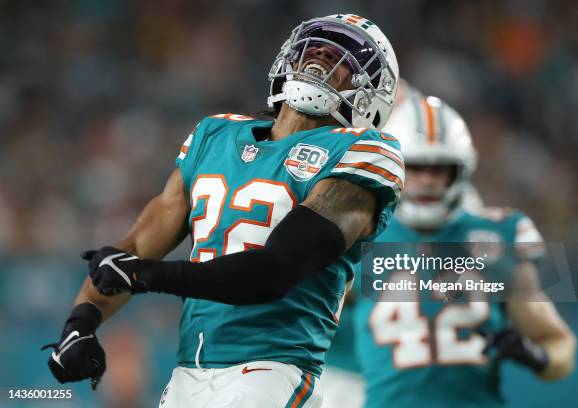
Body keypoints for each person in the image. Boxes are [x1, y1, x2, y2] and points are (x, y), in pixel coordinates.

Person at [42, 13, 403, 407]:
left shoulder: (362, 152)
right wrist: (81, 323)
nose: (320, 56)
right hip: (188, 370)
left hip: (272, 367)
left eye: (343, 58)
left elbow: (275, 269)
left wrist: (145, 275)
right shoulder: (214, 134)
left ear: (371, 95)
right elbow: (131, 251)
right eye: (313, 46)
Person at [353, 83, 577, 407]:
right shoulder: (362, 233)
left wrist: (536, 356)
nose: (428, 179)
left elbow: (559, 345)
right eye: (416, 167)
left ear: (461, 171)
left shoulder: (498, 234)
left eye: (440, 168)